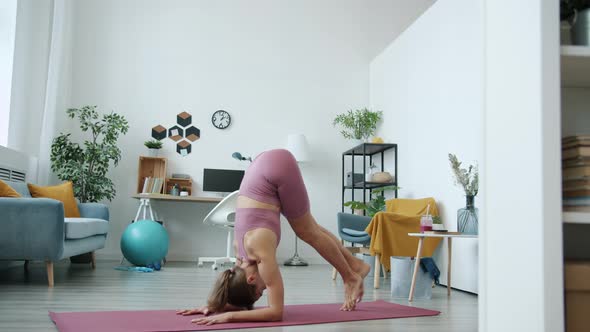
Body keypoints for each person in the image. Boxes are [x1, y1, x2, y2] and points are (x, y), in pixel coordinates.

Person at [177, 149, 370, 325]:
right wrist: (215, 307)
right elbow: (233, 287)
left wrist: (228, 316)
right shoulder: (240, 258)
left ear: (251, 279)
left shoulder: (259, 252)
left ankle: (350, 277)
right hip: (263, 166)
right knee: (309, 227)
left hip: (275, 168)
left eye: (260, 292)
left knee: (306, 231)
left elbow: (276, 313)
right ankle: (355, 265)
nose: (265, 290)